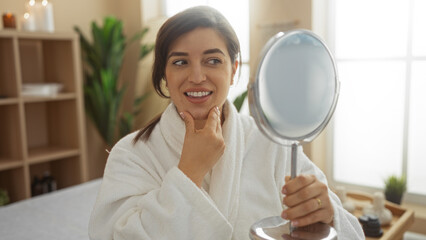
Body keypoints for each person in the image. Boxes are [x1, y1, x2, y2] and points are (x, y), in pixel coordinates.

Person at [88, 6, 364, 240]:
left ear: (233, 70)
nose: (197, 76)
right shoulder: (132, 154)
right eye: (180, 62)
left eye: (212, 60)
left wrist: (328, 213)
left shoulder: (272, 143)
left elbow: (351, 230)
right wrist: (189, 172)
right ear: (165, 74)